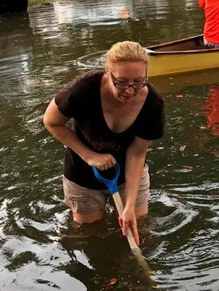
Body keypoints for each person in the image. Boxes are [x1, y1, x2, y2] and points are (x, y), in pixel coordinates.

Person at [43, 41, 165, 246]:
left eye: (138, 81)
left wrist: (129, 205)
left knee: (139, 226)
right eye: (122, 82)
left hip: (128, 174)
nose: (129, 90)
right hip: (83, 172)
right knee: (89, 235)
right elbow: (51, 122)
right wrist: (89, 155)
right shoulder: (84, 88)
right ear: (107, 73)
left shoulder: (153, 103)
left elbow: (136, 154)